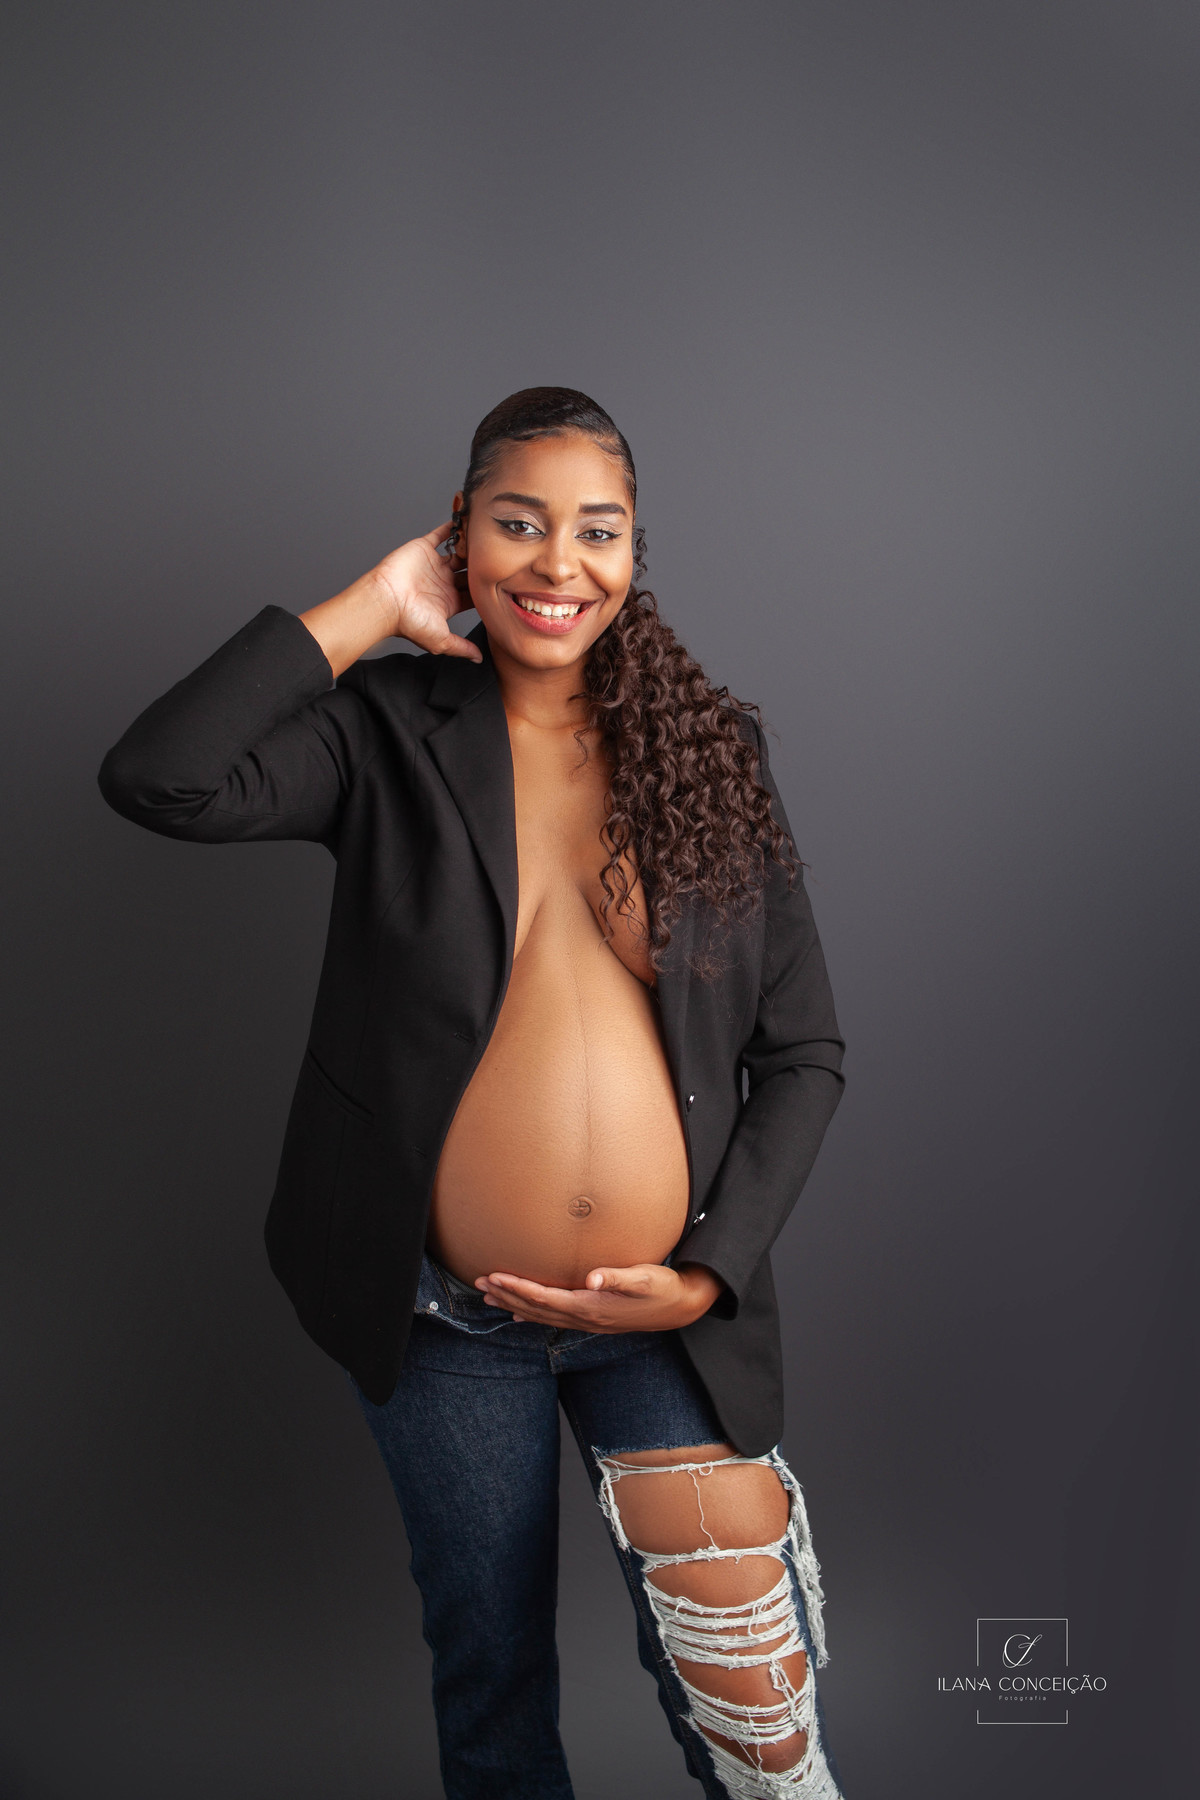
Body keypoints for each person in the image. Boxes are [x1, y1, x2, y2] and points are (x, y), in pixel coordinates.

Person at [98, 387, 848, 1800]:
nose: (558, 563)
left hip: (662, 1317)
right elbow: (160, 779)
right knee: (492, 1677)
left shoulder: (709, 759)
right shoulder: (381, 732)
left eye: (597, 531)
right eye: (518, 523)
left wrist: (706, 1277)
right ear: (460, 536)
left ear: (635, 554)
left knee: (755, 1706)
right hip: (448, 1319)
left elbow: (805, 1052)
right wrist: (371, 605)